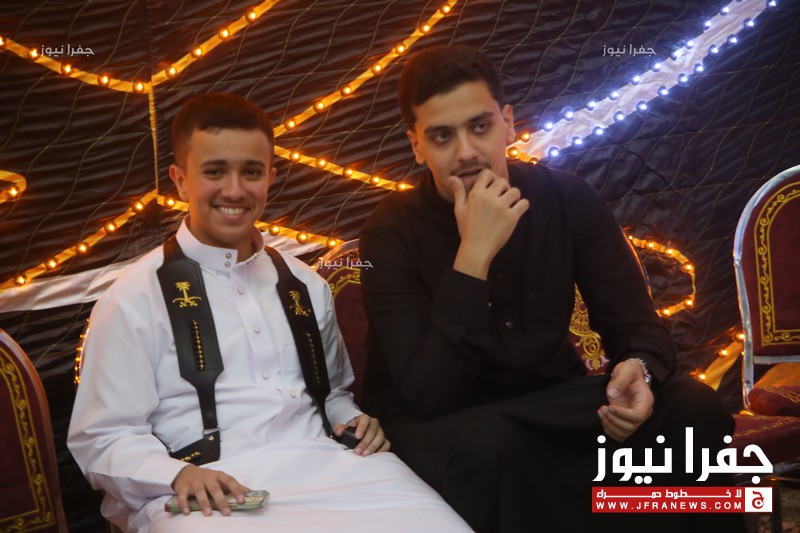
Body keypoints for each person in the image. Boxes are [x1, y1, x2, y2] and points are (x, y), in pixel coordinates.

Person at [359, 45, 744, 532]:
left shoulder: (566, 198)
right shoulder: (388, 233)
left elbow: (637, 327)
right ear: (417, 146)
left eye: (480, 126)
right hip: (445, 423)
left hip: (549, 404)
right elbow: (428, 394)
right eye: (441, 136)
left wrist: (640, 373)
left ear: (507, 123)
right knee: (488, 446)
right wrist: (474, 254)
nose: (466, 152)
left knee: (691, 406)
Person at [68, 93, 469, 533]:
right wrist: (176, 475)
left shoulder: (304, 284)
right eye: (215, 171)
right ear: (180, 181)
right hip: (209, 487)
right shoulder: (133, 297)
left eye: (251, 172)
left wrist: (351, 420)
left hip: (334, 469)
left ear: (271, 177)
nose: (235, 190)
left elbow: (331, 395)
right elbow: (102, 437)